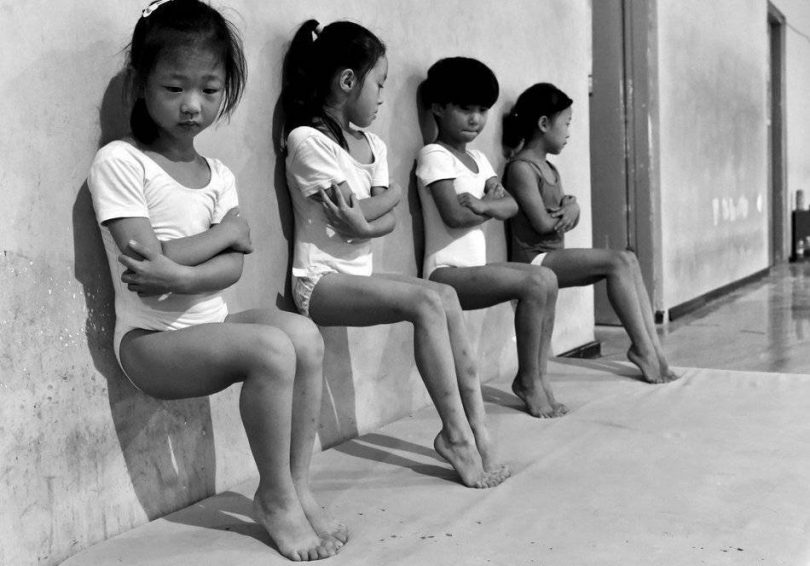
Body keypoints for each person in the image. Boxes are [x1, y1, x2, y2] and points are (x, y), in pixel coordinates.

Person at [87, 1, 344, 560]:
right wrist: (226, 233)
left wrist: (182, 267)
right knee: (272, 350)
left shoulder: (218, 174)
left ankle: (297, 484)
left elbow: (232, 268)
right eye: (175, 88)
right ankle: (273, 498)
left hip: (211, 323)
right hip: (152, 345)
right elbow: (144, 264)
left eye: (208, 88)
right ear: (141, 84)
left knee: (303, 336)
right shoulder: (121, 162)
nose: (192, 106)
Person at [281, 20, 509, 488]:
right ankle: (457, 438)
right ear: (348, 81)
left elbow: (379, 218)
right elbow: (366, 209)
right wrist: (370, 214)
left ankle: (477, 432)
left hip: (356, 277)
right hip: (319, 283)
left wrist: (367, 217)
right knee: (427, 300)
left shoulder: (375, 145)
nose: (383, 95)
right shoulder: (307, 140)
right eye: (379, 83)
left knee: (442, 298)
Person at [415, 57, 563, 419]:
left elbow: (510, 206)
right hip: (445, 273)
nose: (476, 119)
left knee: (546, 279)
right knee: (534, 282)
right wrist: (489, 207)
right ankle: (528, 381)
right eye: (465, 109)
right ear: (437, 107)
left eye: (482, 110)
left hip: (473, 271)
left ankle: (537, 376)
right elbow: (453, 214)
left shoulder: (479, 159)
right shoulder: (434, 155)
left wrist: (483, 205)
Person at [502, 82, 678, 384]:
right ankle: (643, 349)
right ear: (544, 124)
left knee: (628, 260)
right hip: (534, 261)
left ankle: (652, 349)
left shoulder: (550, 169)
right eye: (566, 124)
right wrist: (569, 210)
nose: (569, 132)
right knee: (617, 261)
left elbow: (561, 215)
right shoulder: (521, 168)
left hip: (552, 257)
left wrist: (574, 207)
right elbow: (544, 224)